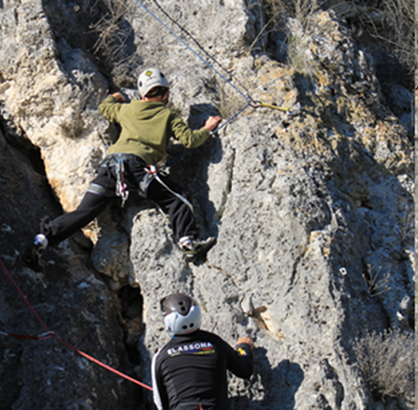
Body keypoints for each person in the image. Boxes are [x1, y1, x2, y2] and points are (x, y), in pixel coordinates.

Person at [27, 68, 221, 270]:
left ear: (142, 94)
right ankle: (187, 243)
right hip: (136, 168)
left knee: (83, 213)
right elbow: (190, 140)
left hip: (109, 168)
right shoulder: (168, 115)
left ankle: (43, 239)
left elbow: (105, 108)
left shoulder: (127, 109)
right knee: (179, 197)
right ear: (165, 94)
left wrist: (116, 96)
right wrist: (208, 127)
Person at [152, 293, 254, 410]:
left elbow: (160, 403)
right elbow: (245, 370)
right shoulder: (214, 343)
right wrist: (243, 347)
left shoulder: (161, 356)